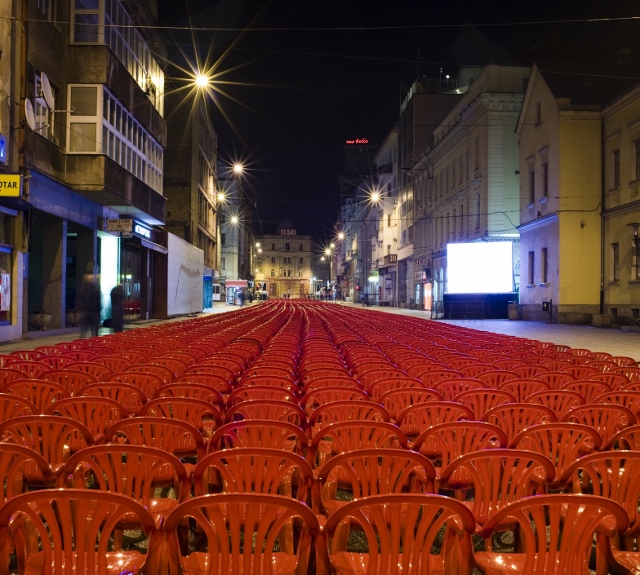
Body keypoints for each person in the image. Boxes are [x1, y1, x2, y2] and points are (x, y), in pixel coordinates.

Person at [78, 271, 101, 337]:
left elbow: (79, 301)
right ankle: (94, 345)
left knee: (83, 332)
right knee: (94, 332)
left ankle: (81, 345)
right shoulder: (96, 290)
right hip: (94, 312)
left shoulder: (82, 290)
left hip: (84, 312)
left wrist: (81, 310)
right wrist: (98, 310)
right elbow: (98, 302)